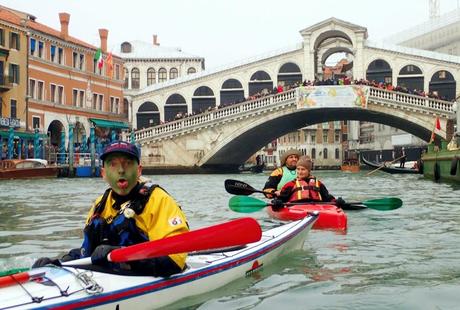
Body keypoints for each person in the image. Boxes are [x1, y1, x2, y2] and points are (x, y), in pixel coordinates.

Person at [32, 141, 189, 277]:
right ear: (103, 173)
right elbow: (86, 252)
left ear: (139, 170)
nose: (121, 170)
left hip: (144, 275)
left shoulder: (159, 200)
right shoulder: (99, 206)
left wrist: (122, 256)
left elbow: (174, 260)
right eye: (113, 164)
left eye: (127, 163)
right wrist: (60, 262)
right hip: (108, 276)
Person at [273, 156, 340, 210]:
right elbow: (281, 198)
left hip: (317, 208)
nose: (300, 172)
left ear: (309, 170)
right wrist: (277, 202)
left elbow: (327, 198)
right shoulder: (291, 185)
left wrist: (336, 201)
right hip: (296, 209)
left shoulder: (318, 184)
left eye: (303, 169)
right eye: (298, 169)